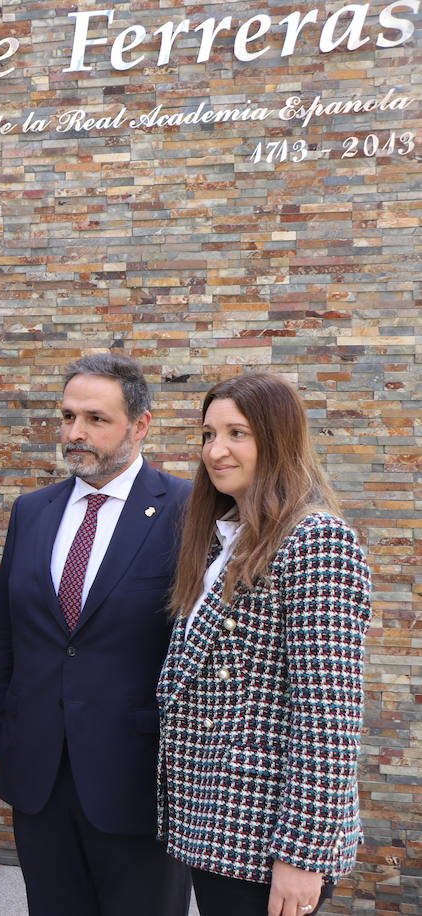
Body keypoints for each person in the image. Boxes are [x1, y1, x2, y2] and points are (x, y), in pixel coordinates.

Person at [0, 353, 192, 916]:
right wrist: (0, 741)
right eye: (68, 416)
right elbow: (7, 634)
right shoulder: (32, 511)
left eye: (96, 419)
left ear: (140, 425)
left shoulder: (187, 509)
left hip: (141, 775)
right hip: (39, 770)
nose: (76, 433)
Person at [157, 373, 372, 916]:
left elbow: (327, 715)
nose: (216, 450)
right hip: (213, 817)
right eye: (208, 434)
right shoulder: (223, 538)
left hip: (266, 836)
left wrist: (304, 855)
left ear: (278, 439)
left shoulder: (316, 539)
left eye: (237, 433)